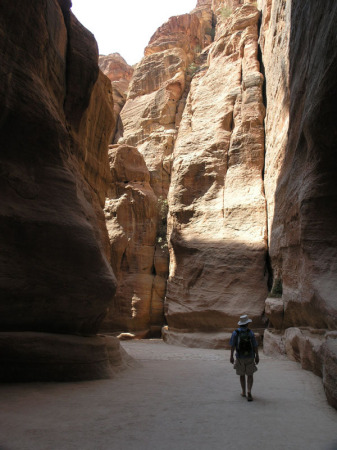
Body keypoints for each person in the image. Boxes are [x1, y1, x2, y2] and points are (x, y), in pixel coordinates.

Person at [230, 314, 259, 401]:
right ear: (247, 324)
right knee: (250, 374)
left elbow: (232, 345)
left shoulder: (235, 333)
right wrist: (257, 356)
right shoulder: (250, 333)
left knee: (242, 374)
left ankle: (243, 391)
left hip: (239, 356)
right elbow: (255, 345)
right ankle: (249, 391)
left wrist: (231, 356)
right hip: (250, 356)